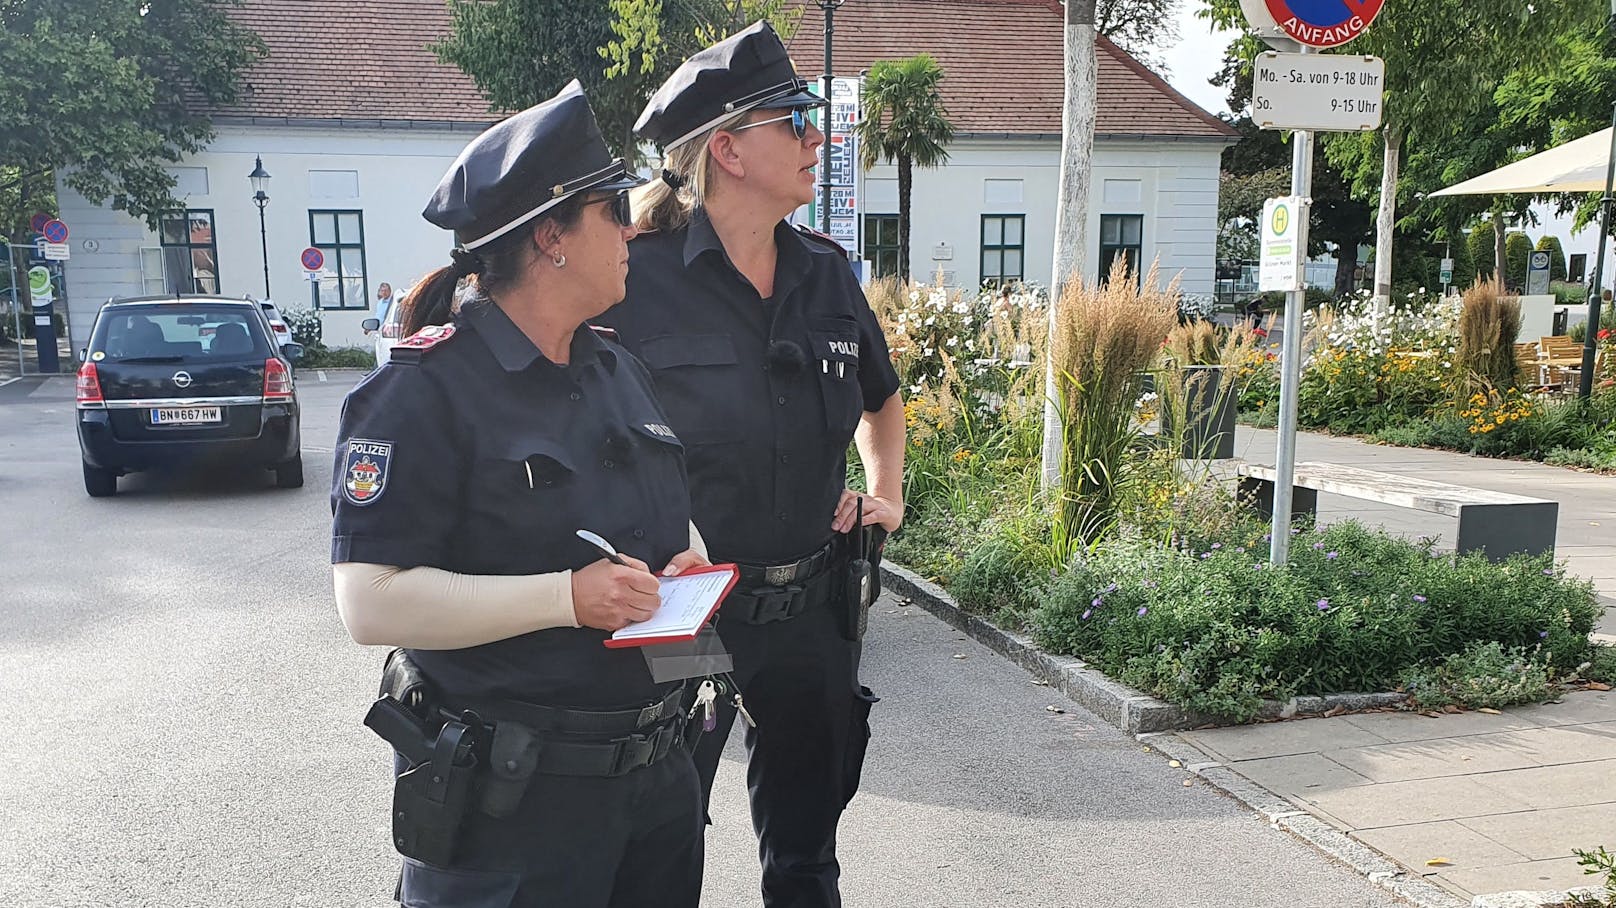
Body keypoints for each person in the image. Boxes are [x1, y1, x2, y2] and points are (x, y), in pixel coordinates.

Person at [330, 81, 712, 908]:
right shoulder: (422, 395)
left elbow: (667, 520)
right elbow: (370, 604)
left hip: (655, 785)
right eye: (613, 208)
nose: (632, 227)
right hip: (514, 808)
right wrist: (568, 599)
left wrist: (689, 568)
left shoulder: (619, 369)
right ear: (552, 238)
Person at [594, 22, 906, 908]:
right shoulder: (632, 279)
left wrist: (885, 492)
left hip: (811, 609)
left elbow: (882, 401)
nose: (819, 139)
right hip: (685, 614)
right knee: (660, 844)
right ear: (726, 150)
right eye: (794, 121)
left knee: (806, 856)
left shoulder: (827, 276)